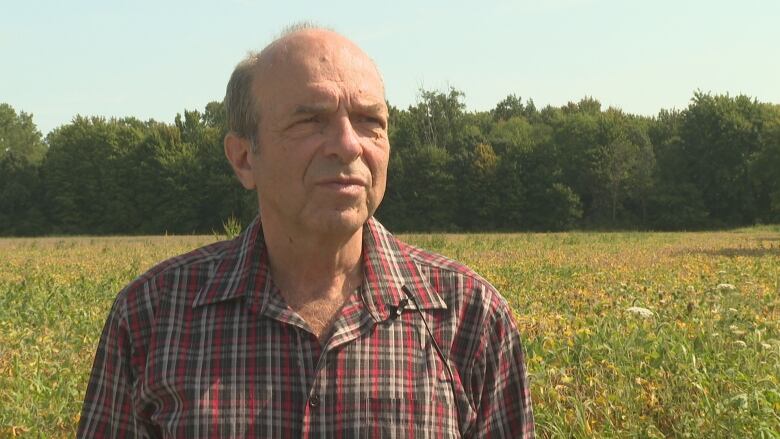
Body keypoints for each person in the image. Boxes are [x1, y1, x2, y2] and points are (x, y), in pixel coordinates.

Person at [78, 24, 534, 438]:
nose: (348, 144)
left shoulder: (469, 318)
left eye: (369, 121)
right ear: (243, 158)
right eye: (310, 121)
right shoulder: (152, 317)